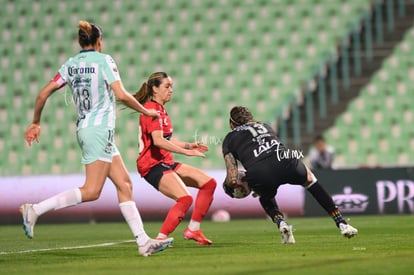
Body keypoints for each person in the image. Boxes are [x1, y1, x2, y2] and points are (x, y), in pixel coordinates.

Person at [20, 21, 173, 256]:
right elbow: (120, 94)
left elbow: (42, 95)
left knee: (124, 184)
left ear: (81, 41)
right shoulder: (104, 61)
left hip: (89, 130)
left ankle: (143, 241)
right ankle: (35, 210)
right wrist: (145, 110)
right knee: (92, 191)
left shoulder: (70, 65)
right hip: (98, 131)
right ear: (99, 41)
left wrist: (36, 122)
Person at [222, 106, 357, 244]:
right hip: (285, 160)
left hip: (260, 172)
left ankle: (282, 224)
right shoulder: (264, 125)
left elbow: (232, 177)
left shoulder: (228, 139)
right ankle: (341, 223)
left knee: (265, 196)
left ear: (232, 124)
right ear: (250, 118)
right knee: (310, 180)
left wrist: (234, 186)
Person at [134, 72, 217, 245]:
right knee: (185, 199)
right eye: (167, 86)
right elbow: (157, 141)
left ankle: (193, 229)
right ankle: (159, 240)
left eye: (171, 86)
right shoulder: (151, 110)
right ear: (155, 89)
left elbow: (166, 139)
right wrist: (186, 153)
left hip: (166, 162)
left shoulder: (161, 109)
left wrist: (189, 145)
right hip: (152, 165)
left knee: (209, 184)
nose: (171, 90)